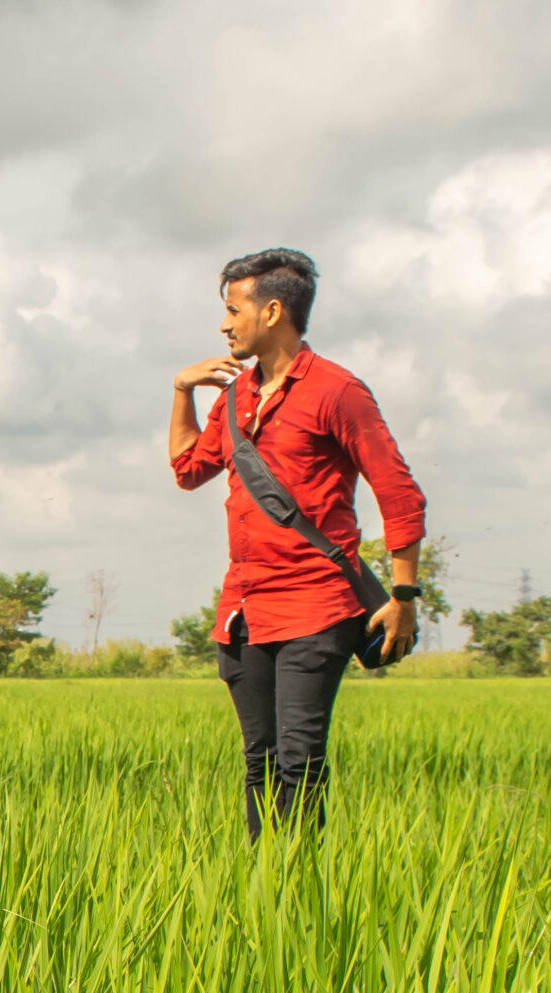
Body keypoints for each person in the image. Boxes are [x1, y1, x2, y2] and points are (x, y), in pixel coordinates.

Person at [171, 249, 425, 839]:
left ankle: (300, 894)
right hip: (244, 609)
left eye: (234, 310)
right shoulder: (236, 397)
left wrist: (404, 594)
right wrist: (183, 389)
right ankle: (265, 890)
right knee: (258, 763)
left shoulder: (338, 391)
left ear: (273, 310)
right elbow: (188, 469)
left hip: (316, 604)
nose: (224, 324)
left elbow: (399, 491)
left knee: (299, 763)